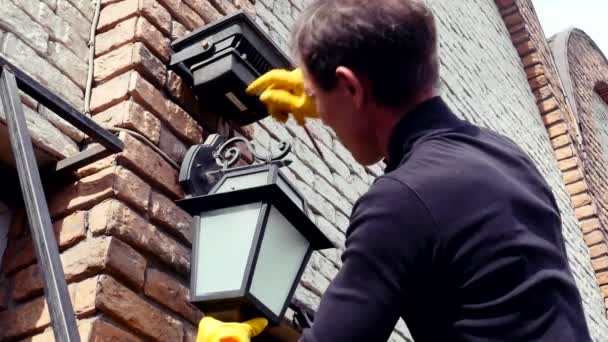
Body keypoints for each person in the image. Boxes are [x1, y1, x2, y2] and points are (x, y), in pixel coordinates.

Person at [246, 0, 593, 341]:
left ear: (352, 86)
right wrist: (327, 96)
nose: (319, 111)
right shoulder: (509, 159)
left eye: (316, 95)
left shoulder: (400, 202)